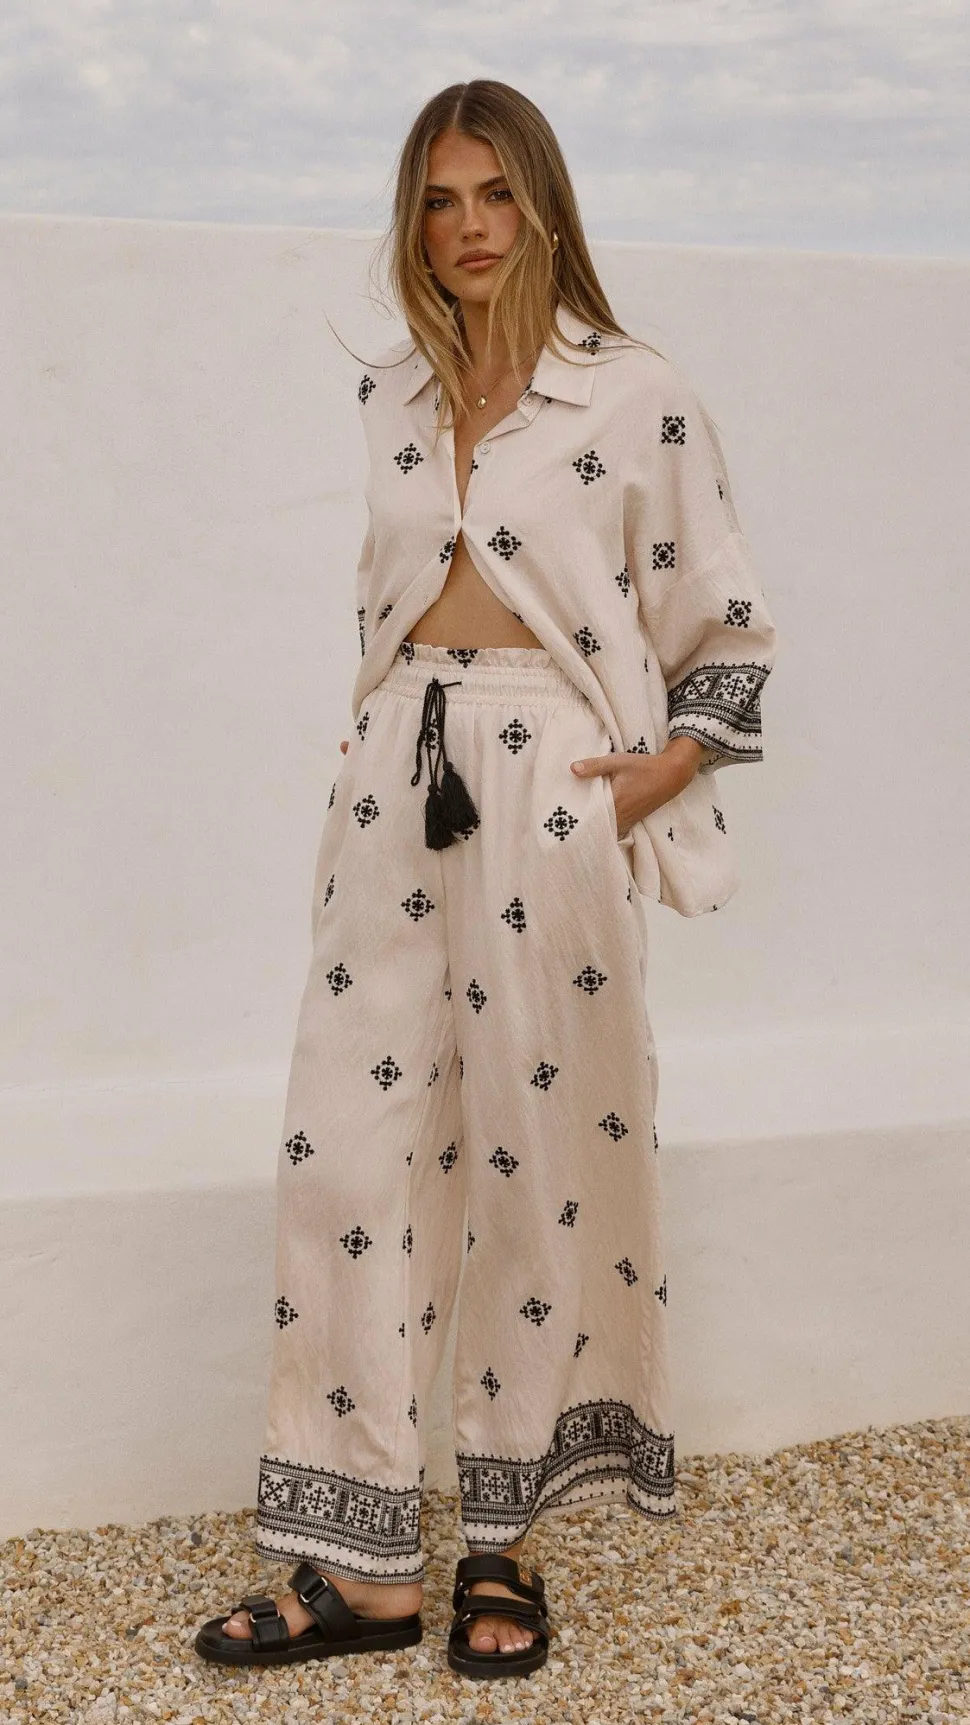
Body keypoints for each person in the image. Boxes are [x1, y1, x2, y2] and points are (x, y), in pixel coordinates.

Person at [194, 78, 776, 1680]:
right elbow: (383, 593)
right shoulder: (390, 394)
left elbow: (724, 626)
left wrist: (660, 769)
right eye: (441, 200)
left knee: (540, 1159)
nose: (468, 227)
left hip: (554, 791)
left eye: (495, 195)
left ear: (544, 207)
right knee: (345, 1160)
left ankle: (502, 1545)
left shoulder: (633, 395)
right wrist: (379, 738)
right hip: (398, 780)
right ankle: (361, 1560)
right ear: (413, 220)